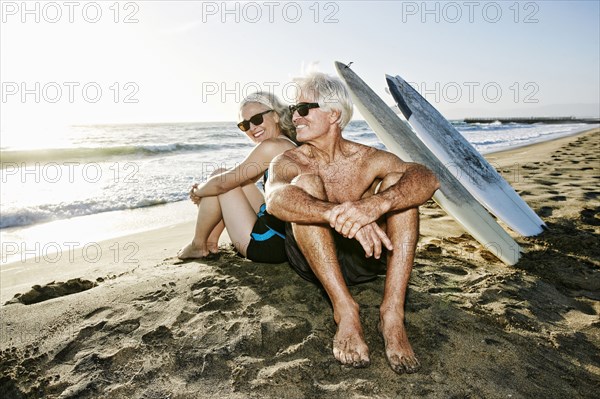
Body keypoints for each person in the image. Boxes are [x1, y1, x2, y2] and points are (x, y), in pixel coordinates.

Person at [265, 72, 440, 374]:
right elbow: (276, 199)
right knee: (305, 185)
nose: (295, 117)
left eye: (304, 108)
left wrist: (374, 205)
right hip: (312, 259)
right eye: (294, 110)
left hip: (366, 258)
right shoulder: (288, 161)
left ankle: (393, 314)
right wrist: (339, 215)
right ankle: (345, 311)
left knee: (400, 185)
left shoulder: (367, 158)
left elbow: (428, 178)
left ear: (334, 113)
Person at [178, 91, 296, 263]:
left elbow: (221, 185)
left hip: (271, 245)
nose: (252, 128)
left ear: (276, 116)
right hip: (284, 235)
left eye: (257, 119)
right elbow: (240, 181)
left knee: (221, 179)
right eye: (245, 125)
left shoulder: (272, 146)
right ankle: (209, 243)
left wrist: (198, 191)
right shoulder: (287, 142)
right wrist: (207, 190)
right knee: (229, 180)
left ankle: (198, 244)